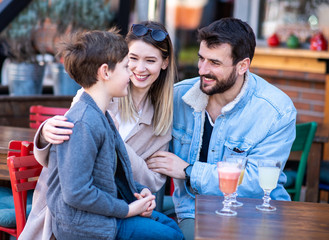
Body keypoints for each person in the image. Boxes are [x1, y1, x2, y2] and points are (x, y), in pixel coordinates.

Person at [19, 21, 179, 240]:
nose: (138, 69)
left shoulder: (159, 116)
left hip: (118, 202)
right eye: (130, 61)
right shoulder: (96, 102)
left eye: (150, 60)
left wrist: (115, 143)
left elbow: (150, 181)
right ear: (108, 68)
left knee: (172, 230)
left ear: (164, 63)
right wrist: (46, 131)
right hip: (75, 215)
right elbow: (66, 166)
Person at [146, 17, 297, 240]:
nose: (202, 70)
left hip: (255, 213)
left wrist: (189, 171)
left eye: (214, 63)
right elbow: (131, 112)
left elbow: (255, 182)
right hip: (194, 213)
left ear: (242, 66)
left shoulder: (276, 110)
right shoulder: (177, 97)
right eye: (201, 59)